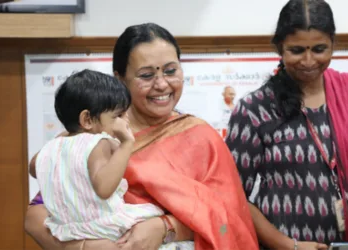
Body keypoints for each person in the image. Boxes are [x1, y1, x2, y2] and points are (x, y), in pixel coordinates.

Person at [25, 23, 258, 250]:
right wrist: (87, 245)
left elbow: (230, 217)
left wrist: (165, 227)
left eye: (170, 71)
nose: (162, 84)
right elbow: (36, 215)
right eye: (146, 75)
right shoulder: (89, 135)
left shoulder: (201, 137)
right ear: (120, 79)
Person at [226, 0, 348, 249]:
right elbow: (232, 194)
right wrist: (287, 244)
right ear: (280, 47)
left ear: (334, 45)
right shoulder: (254, 109)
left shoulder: (345, 94)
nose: (308, 60)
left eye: (319, 48)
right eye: (297, 50)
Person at [28, 69, 194, 250]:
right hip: (106, 226)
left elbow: (35, 167)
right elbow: (104, 188)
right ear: (87, 119)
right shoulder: (100, 143)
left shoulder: (54, 146)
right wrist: (126, 144)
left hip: (68, 229)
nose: (126, 120)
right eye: (118, 115)